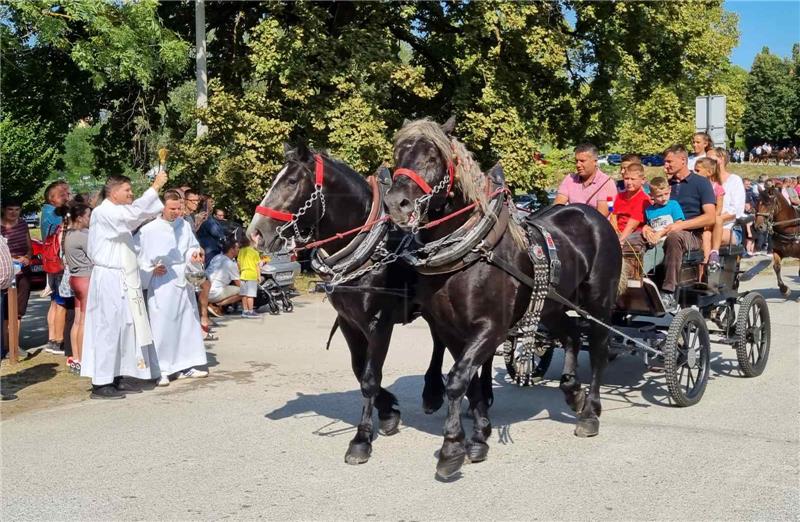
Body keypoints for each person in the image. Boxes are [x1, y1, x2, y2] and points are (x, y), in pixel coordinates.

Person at [81, 172, 168, 400]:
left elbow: (138, 215)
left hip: (124, 277)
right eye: (127, 190)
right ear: (114, 192)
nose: (131, 194)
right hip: (109, 277)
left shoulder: (115, 211)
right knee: (107, 329)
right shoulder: (103, 212)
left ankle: (119, 375)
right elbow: (133, 216)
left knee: (125, 327)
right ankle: (101, 382)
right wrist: (155, 187)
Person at [137, 190, 209, 386]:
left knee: (186, 323)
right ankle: (162, 369)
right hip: (162, 282)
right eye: (172, 209)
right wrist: (151, 269)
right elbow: (139, 257)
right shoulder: (149, 230)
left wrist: (194, 255)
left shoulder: (184, 226)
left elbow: (191, 248)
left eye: (179, 208)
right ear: (162, 207)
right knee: (162, 325)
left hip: (182, 279)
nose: (176, 212)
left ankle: (188, 364)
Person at [641, 145, 716, 310]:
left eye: (669, 161)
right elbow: (654, 214)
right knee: (633, 239)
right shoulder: (665, 186)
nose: (665, 165)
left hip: (692, 236)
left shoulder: (701, 183)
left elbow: (711, 217)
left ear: (683, 160)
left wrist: (681, 225)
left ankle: (668, 292)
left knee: (675, 236)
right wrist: (646, 228)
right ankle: (632, 284)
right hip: (662, 232)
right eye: (664, 162)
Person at [40, 180, 72, 355]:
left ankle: (52, 338)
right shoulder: (55, 214)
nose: (67, 197)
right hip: (58, 262)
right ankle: (58, 340)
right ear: (51, 198)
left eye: (67, 193)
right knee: (61, 302)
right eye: (63, 195)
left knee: (54, 301)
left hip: (51, 262)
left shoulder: (46, 212)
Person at [62, 202, 93, 374]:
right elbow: (95, 255)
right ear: (80, 217)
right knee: (85, 321)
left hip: (75, 278)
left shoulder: (69, 234)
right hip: (85, 279)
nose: (90, 219)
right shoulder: (82, 235)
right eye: (88, 215)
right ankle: (82, 358)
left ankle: (76, 357)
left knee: (78, 320)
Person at [554, 143, 617, 216]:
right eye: (576, 161)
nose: (578, 165)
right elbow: (557, 207)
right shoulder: (569, 179)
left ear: (595, 162)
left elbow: (601, 217)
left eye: (582, 161)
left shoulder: (607, 183)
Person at [1, 199, 32, 342]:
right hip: (5, 271)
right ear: (4, 210)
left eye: (17, 210)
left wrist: (27, 256)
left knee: (19, 309)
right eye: (10, 209)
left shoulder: (22, 223)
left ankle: (15, 343)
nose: (14, 213)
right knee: (6, 310)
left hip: (23, 270)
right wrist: (13, 258)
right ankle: (6, 343)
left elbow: (29, 245)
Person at [707, 148, 746, 247]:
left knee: (711, 238)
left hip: (729, 227)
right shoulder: (705, 181)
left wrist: (712, 220)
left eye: (709, 159)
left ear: (721, 158)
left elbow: (736, 211)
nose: (706, 162)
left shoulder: (734, 180)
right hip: (706, 226)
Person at [693, 157, 725, 268]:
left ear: (709, 172)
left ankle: (713, 254)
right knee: (705, 235)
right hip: (699, 220)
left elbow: (719, 209)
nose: (694, 173)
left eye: (698, 171)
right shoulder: (696, 186)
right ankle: (705, 264)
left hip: (710, 222)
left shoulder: (717, 188)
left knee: (718, 220)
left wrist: (709, 221)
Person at [612, 162, 651, 246]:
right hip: (618, 231)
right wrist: (614, 233)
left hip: (634, 233)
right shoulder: (620, 196)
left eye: (633, 179)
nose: (629, 182)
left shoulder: (643, 199)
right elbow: (613, 216)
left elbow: (632, 226)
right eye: (626, 178)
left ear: (643, 180)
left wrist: (620, 240)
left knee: (629, 242)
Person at [205, 239, 242, 316]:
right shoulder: (230, 264)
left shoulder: (217, 257)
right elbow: (239, 284)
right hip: (214, 293)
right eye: (237, 248)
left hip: (204, 291)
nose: (239, 250)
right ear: (231, 250)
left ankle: (212, 303)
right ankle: (217, 305)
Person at [643, 177, 686, 243]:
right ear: (651, 195)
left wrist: (662, 233)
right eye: (659, 196)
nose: (664, 198)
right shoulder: (649, 210)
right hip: (654, 242)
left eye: (666, 194)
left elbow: (679, 224)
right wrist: (646, 229)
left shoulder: (673, 205)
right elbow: (649, 225)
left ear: (670, 190)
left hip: (671, 241)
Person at [237, 236, 261, 318]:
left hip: (243, 275)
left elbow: (238, 263)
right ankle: (251, 311)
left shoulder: (241, 251)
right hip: (252, 275)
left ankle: (245, 311)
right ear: (250, 242)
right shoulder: (254, 252)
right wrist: (259, 276)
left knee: (244, 294)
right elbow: (257, 266)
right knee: (250, 295)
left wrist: (240, 271)